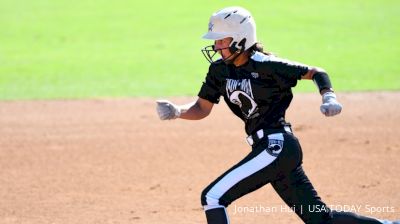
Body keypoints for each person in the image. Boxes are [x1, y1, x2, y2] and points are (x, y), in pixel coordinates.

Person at [156, 6, 398, 224]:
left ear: (241, 39)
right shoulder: (219, 70)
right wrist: (178, 112)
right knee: (321, 221)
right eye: (216, 41)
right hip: (269, 149)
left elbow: (316, 72)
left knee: (213, 197)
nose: (217, 46)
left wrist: (328, 96)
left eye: (222, 40)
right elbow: (202, 108)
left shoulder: (266, 64)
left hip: (277, 146)